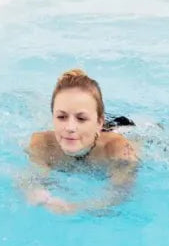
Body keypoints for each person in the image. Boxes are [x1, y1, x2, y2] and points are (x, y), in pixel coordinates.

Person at [19, 68, 139, 215]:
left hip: (123, 127)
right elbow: (29, 179)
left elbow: (117, 195)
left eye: (81, 119)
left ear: (99, 122)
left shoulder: (117, 150)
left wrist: (76, 208)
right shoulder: (41, 144)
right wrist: (36, 193)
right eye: (61, 117)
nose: (69, 128)